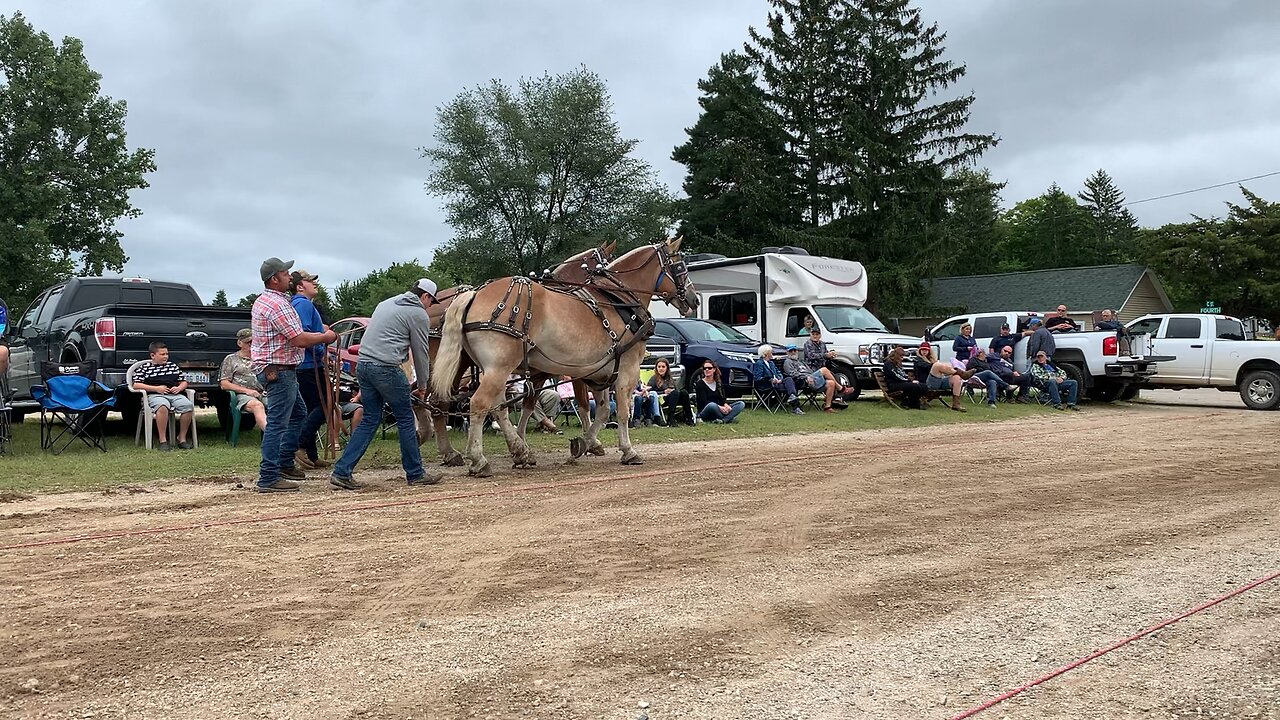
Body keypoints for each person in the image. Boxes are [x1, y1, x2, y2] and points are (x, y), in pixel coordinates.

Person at [330, 279, 441, 490]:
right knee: (406, 419)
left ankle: (342, 471)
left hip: (363, 365)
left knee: (370, 419)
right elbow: (420, 352)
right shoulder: (418, 314)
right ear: (424, 296)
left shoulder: (386, 303)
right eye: (431, 301)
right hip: (386, 368)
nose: (429, 306)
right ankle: (415, 473)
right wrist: (424, 385)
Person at [252, 257, 339, 493]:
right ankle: (269, 476)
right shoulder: (278, 305)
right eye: (285, 273)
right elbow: (299, 338)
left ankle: (283, 462)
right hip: (279, 370)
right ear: (274, 278)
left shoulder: (269, 301)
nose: (290, 277)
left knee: (299, 413)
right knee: (278, 423)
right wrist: (326, 337)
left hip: (276, 369)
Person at [289, 269, 331, 471]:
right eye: (310, 281)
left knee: (309, 409)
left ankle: (312, 455)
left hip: (304, 365)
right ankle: (300, 443)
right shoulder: (303, 304)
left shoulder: (297, 304)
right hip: (309, 366)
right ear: (299, 286)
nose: (315, 283)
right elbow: (304, 333)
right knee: (324, 407)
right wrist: (321, 347)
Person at [132, 341, 196, 450]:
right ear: (153, 355)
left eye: (166, 354)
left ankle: (182, 438)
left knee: (188, 405)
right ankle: (163, 440)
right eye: (162, 354)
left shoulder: (172, 366)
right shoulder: (145, 368)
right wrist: (156, 388)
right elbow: (136, 385)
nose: (165, 356)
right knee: (162, 406)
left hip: (174, 395)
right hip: (154, 395)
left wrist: (179, 388)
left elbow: (183, 381)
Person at [219, 328, 267, 431]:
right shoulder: (231, 359)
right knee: (257, 405)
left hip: (264, 392)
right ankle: (271, 437)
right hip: (242, 395)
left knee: (282, 404)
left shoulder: (262, 358)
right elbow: (224, 384)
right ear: (239, 343)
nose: (251, 344)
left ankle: (288, 438)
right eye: (248, 342)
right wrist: (248, 391)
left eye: (254, 342)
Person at [752, 345, 802, 414]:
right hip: (767, 385)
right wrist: (771, 379)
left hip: (777, 383)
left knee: (789, 379)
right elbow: (758, 377)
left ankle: (792, 397)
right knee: (789, 386)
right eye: (771, 352)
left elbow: (779, 372)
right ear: (766, 354)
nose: (772, 354)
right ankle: (795, 405)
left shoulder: (771, 363)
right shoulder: (759, 364)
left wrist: (779, 379)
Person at [648, 358, 693, 425]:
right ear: (656, 368)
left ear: (667, 368)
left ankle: (689, 418)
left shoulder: (669, 378)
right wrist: (664, 392)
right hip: (661, 399)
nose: (661, 369)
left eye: (663, 367)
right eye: (659, 367)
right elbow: (650, 393)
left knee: (684, 392)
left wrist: (671, 390)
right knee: (674, 393)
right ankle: (670, 418)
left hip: (673, 398)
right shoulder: (654, 379)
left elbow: (676, 389)